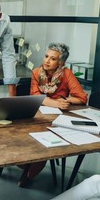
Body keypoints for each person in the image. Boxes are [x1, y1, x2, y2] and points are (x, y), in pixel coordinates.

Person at [17, 42, 88, 187]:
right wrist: (55, 103)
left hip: (57, 118)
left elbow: (81, 98)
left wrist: (65, 100)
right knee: (26, 138)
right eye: (46, 56)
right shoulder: (36, 72)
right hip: (36, 115)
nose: (47, 61)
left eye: (53, 58)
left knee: (47, 142)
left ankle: (29, 174)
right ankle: (26, 164)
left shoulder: (66, 73)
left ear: (61, 62)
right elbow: (35, 96)